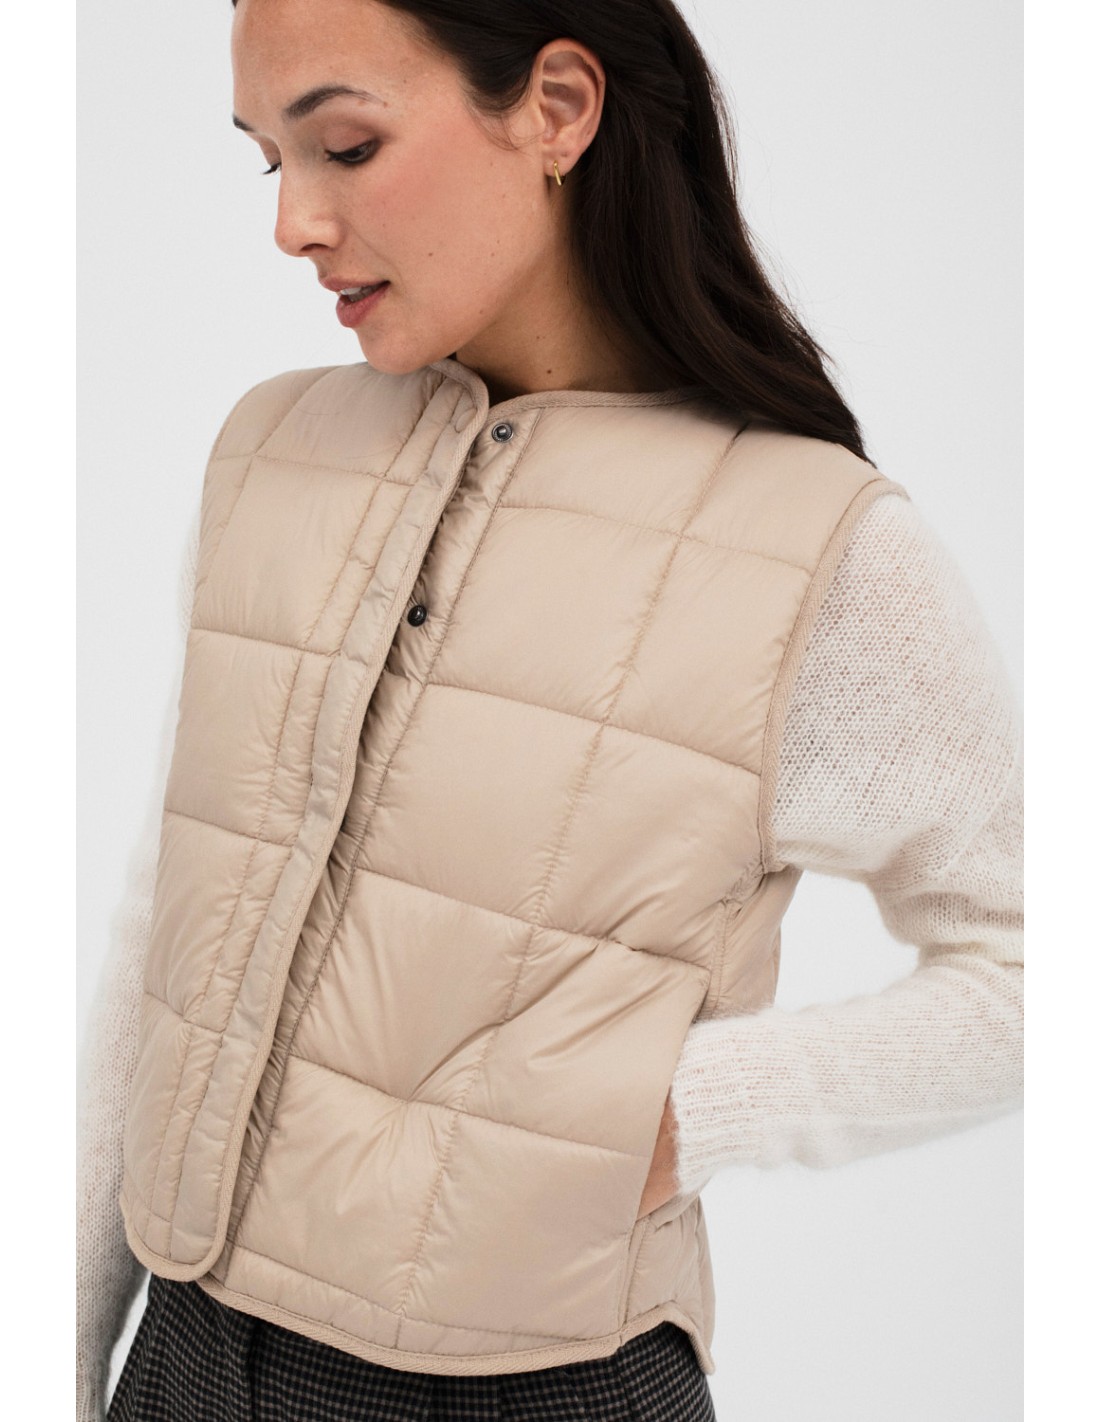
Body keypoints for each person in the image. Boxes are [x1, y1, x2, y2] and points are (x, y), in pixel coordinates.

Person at [75, 0, 1024, 1418]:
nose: (293, 224)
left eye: (346, 145)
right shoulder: (278, 451)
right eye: (270, 159)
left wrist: (676, 1116)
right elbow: (175, 913)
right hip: (185, 1350)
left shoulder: (815, 548)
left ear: (559, 108)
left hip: (531, 1384)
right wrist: (61, 1333)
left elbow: (1032, 970)